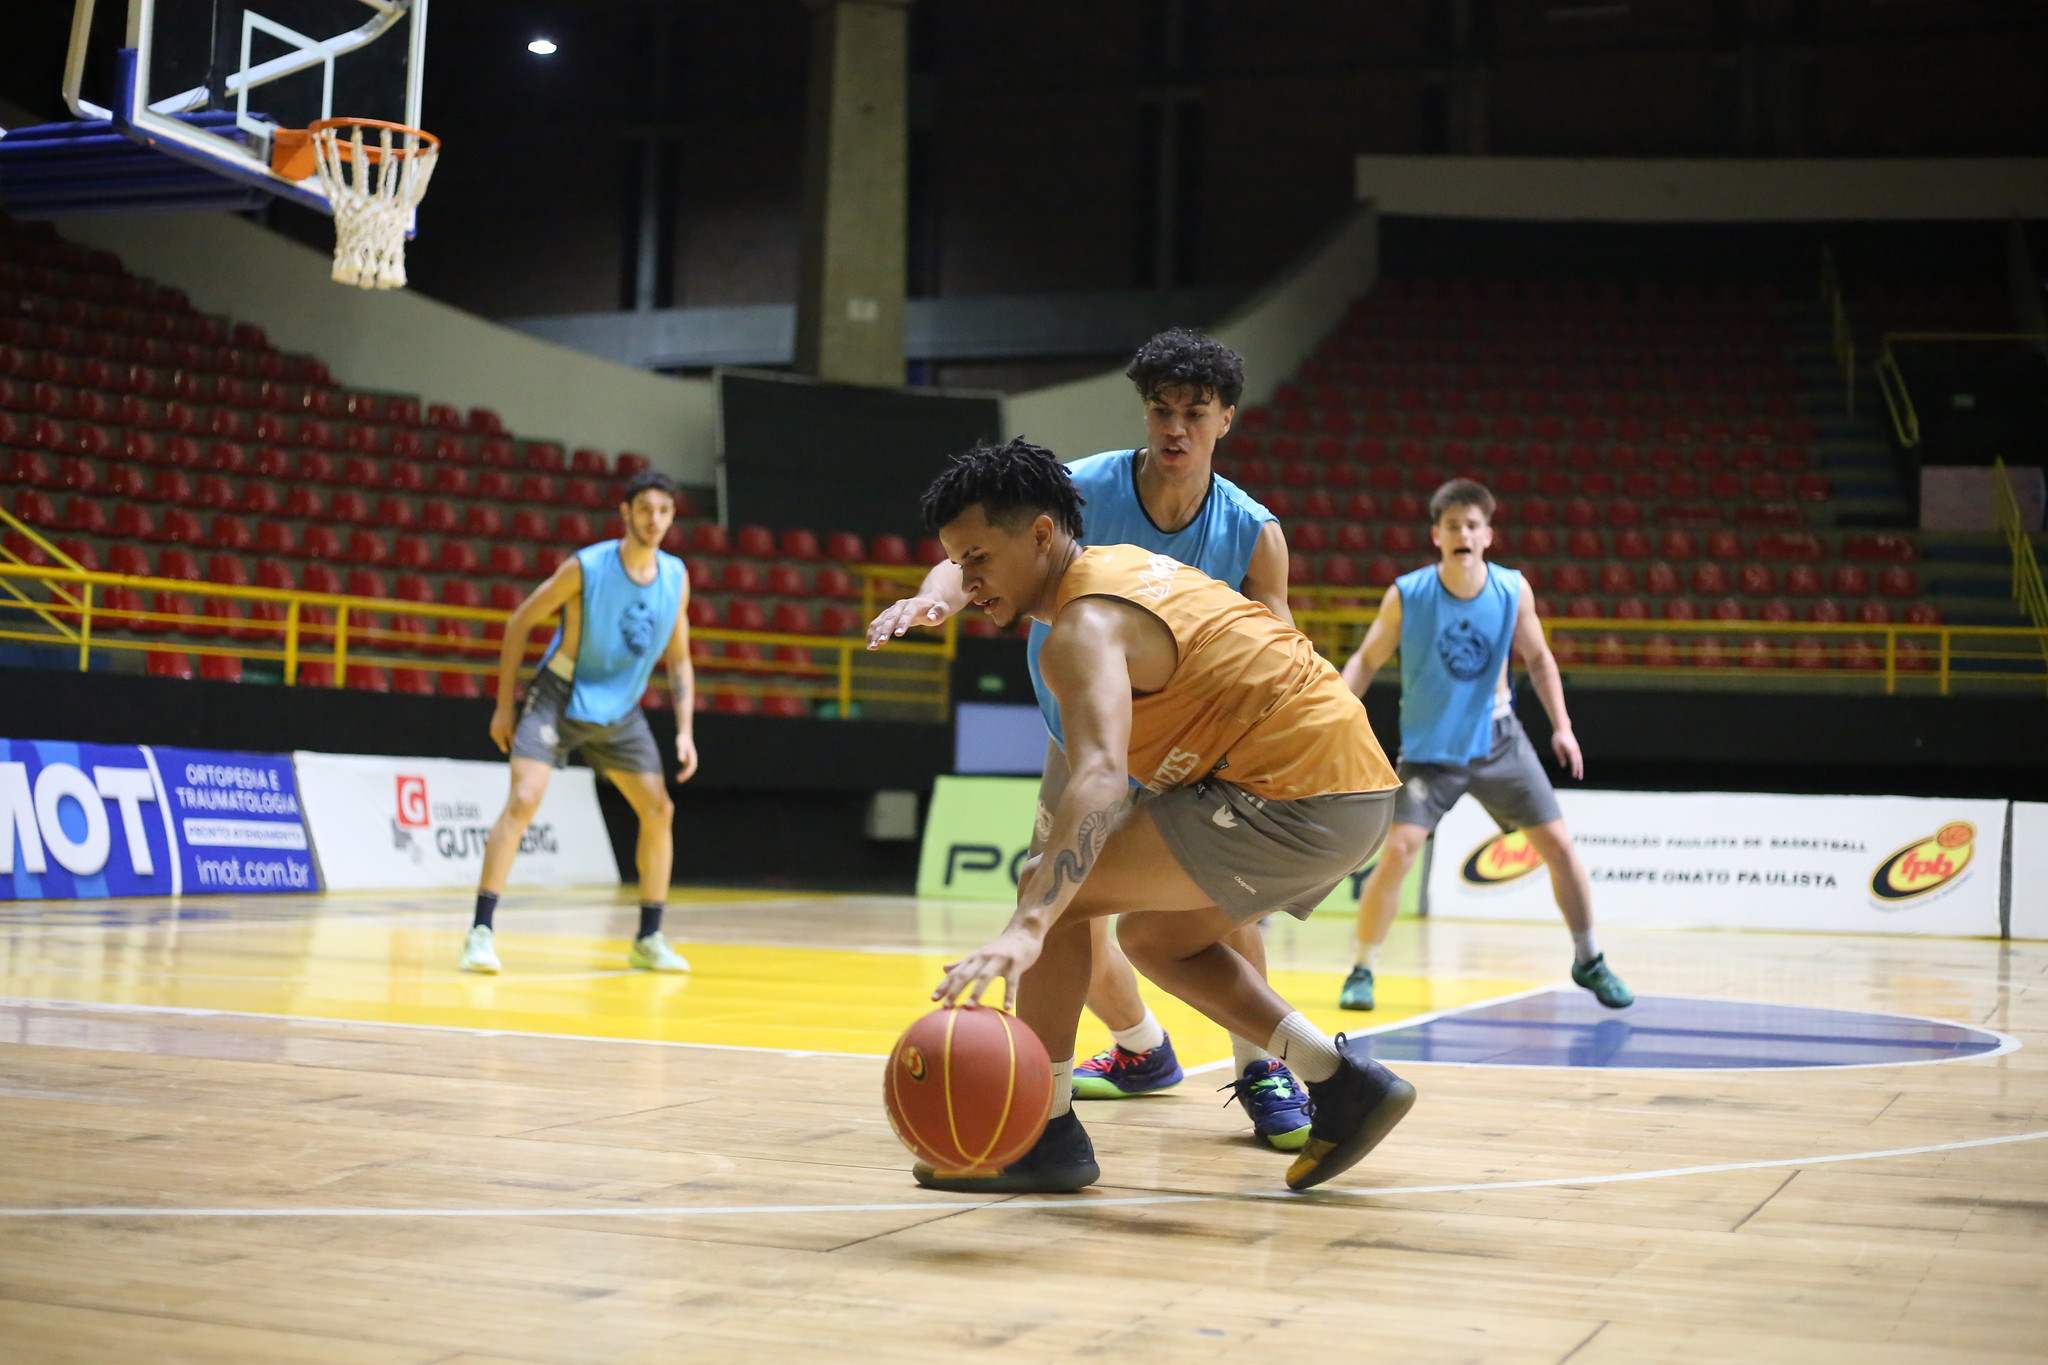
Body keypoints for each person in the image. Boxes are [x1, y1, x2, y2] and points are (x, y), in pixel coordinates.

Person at [915, 437, 1413, 1195]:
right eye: (957, 563)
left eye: (978, 557)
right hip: (1350, 784)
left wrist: (1031, 921)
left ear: (1042, 534)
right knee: (1155, 938)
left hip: (1299, 791)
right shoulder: (1120, 568)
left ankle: (1042, 1135)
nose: (968, 580)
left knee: (1053, 889)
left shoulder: (1080, 626)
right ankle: (1340, 1079)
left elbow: (1102, 775)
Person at [868, 330, 1313, 1150]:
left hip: (1188, 746)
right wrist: (935, 597)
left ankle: (1262, 1067)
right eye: (1160, 408)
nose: (1174, 427)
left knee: (1223, 909)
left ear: (1227, 422)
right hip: (1080, 738)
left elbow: (1280, 655)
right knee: (1051, 895)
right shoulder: (1076, 489)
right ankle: (1134, 1055)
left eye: (1194, 412)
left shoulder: (1253, 532)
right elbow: (973, 548)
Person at [1334, 478, 1631, 1012]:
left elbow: (1539, 660)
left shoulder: (1513, 590)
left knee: (1560, 848)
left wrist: (1561, 725)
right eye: (1452, 526)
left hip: (1500, 744)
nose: (1462, 534)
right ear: (1437, 535)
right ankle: (1362, 969)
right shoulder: (1408, 594)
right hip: (1431, 754)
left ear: (1487, 535)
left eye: (1472, 525)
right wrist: (1334, 710)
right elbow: (1366, 659)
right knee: (1398, 851)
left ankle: (1589, 958)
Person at [460, 469, 700, 975]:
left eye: (664, 511)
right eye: (645, 509)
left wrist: (684, 730)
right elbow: (518, 623)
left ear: (672, 516)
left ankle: (649, 938)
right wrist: (504, 707)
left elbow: (679, 661)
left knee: (659, 811)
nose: (654, 520)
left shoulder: (676, 577)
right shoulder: (586, 568)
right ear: (626, 513)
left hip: (620, 708)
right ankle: (480, 932)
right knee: (524, 800)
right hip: (558, 696)